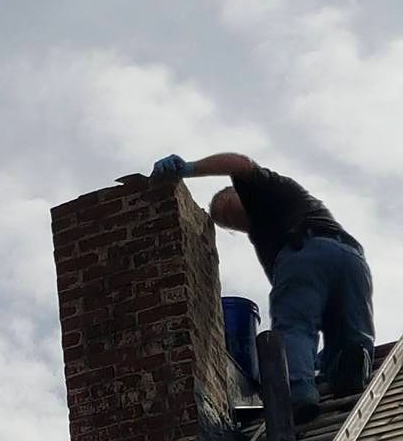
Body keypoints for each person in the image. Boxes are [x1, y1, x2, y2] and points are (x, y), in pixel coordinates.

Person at [151, 153, 375, 420]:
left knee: (294, 327)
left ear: (238, 194)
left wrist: (188, 169)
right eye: (224, 221)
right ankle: (347, 371)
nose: (227, 217)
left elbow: (239, 163)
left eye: (225, 206)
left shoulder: (261, 193)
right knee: (350, 336)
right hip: (350, 259)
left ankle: (299, 392)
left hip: (304, 251)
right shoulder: (266, 230)